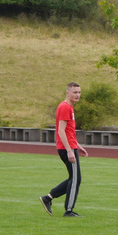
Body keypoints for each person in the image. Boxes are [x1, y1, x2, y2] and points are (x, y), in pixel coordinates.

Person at [39, 82, 88, 217]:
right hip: (66, 148)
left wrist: (77, 145)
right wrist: (69, 150)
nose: (77, 95)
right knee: (75, 179)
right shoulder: (65, 107)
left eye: (79, 92)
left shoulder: (69, 107)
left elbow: (69, 131)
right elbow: (61, 131)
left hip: (70, 146)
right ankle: (69, 210)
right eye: (75, 92)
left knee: (74, 178)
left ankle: (48, 198)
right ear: (67, 93)